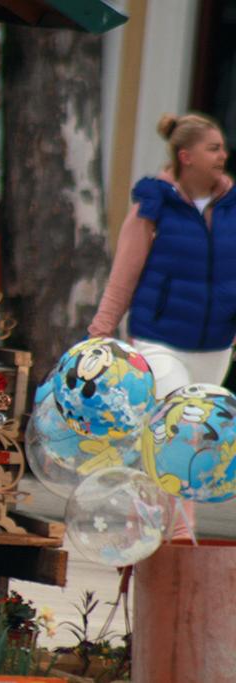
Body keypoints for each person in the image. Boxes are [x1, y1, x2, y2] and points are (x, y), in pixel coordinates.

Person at [89, 112, 234, 537]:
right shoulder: (154, 204)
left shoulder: (232, 207)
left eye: (222, 148)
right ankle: (180, 531)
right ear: (186, 156)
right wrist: (100, 332)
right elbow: (124, 272)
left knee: (194, 439)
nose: (223, 155)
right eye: (213, 148)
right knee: (178, 429)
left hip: (214, 346)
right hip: (159, 340)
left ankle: (143, 519)